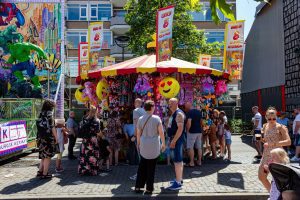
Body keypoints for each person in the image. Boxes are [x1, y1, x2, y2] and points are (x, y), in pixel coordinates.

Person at [135, 100, 166, 194]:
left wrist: (138, 143)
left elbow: (138, 133)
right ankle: (149, 188)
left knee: (142, 166)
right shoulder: (157, 118)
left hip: (144, 143)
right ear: (152, 108)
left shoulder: (140, 119)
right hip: (154, 144)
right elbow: (161, 132)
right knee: (151, 167)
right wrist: (163, 143)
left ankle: (138, 186)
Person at [258, 107, 291, 192]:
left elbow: (288, 142)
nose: (272, 120)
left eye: (274, 118)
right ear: (266, 117)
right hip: (266, 155)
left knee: (278, 179)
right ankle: (273, 194)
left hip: (277, 156)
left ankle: (279, 196)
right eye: (269, 118)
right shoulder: (265, 126)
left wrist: (273, 143)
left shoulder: (281, 127)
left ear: (276, 117)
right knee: (262, 176)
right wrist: (260, 139)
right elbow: (265, 140)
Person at [166, 98, 185, 190]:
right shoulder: (175, 113)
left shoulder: (178, 114)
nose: (169, 105)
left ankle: (178, 183)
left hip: (176, 140)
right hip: (175, 139)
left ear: (177, 103)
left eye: (172, 103)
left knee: (177, 161)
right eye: (169, 103)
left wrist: (173, 141)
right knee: (178, 160)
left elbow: (180, 129)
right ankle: (179, 179)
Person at [36, 99, 57, 179]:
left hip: (40, 138)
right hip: (48, 138)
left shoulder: (41, 114)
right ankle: (45, 174)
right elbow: (52, 127)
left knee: (43, 156)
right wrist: (56, 138)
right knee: (47, 157)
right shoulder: (49, 114)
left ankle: (40, 171)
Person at [78, 106, 101, 176]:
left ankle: (83, 171)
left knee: (84, 155)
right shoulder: (97, 121)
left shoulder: (84, 119)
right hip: (93, 140)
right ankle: (93, 171)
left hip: (85, 140)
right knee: (93, 155)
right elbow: (97, 131)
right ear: (96, 111)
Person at [130, 98, 146, 180]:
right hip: (145, 135)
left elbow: (136, 125)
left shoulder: (136, 111)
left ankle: (140, 175)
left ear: (136, 103)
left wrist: (135, 136)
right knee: (144, 156)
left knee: (140, 156)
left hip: (139, 136)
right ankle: (143, 173)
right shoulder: (144, 110)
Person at [185, 102, 203, 167]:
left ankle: (191, 162)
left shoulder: (190, 112)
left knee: (190, 147)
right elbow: (201, 122)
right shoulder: (199, 112)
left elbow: (189, 122)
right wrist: (201, 130)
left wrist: (187, 130)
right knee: (199, 147)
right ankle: (199, 161)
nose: (185, 108)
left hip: (192, 132)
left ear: (189, 106)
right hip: (199, 131)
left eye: (186, 107)